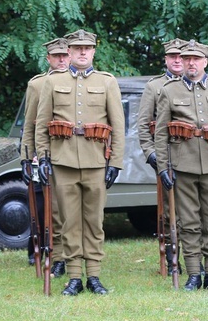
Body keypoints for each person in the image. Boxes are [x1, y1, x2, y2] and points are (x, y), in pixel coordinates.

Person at [35, 30, 125, 295]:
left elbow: (117, 125)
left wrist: (116, 162)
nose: (83, 52)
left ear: (94, 51)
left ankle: (94, 276)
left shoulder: (107, 82)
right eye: (77, 49)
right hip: (63, 161)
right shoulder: (52, 83)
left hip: (97, 160)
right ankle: (74, 276)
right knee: (69, 221)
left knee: (95, 221)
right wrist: (43, 157)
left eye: (87, 48)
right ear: (70, 52)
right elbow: (42, 124)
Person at [154, 40, 208, 291]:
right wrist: (163, 167)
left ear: (205, 62)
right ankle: (193, 273)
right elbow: (161, 133)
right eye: (187, 59)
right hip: (182, 164)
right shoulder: (169, 90)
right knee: (188, 222)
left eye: (196, 59)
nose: (191, 63)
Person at [20, 38, 70, 272]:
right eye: (56, 56)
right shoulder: (37, 85)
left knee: (67, 205)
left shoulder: (77, 81)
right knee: (40, 205)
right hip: (43, 153)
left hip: (69, 153)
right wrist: (26, 156)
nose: (61, 60)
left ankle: (66, 253)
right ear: (48, 58)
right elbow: (30, 123)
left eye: (64, 55)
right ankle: (37, 247)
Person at [137, 38, 187, 274]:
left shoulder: (196, 84)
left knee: (193, 210)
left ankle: (194, 258)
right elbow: (144, 123)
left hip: (193, 155)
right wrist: (151, 154)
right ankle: (173, 259)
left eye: (181, 56)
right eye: (173, 56)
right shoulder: (155, 86)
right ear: (166, 59)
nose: (177, 60)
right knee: (170, 211)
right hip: (166, 156)